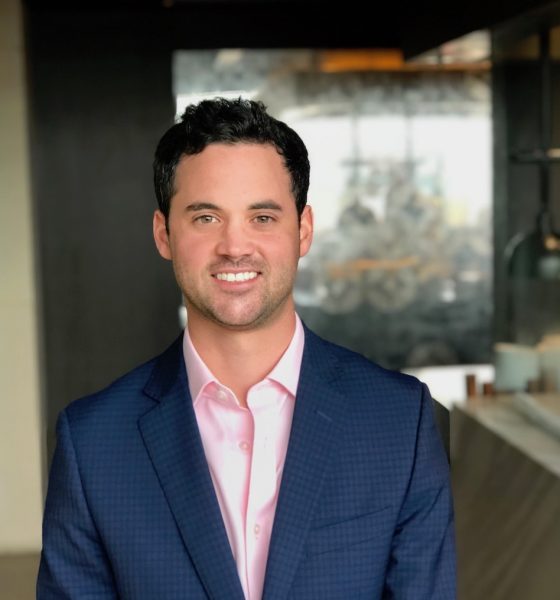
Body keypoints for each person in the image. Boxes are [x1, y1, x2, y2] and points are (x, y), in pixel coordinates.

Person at [37, 98, 456, 599]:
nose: (235, 246)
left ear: (303, 230)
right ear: (163, 234)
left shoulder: (399, 422)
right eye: (206, 217)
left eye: (262, 217)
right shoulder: (93, 443)